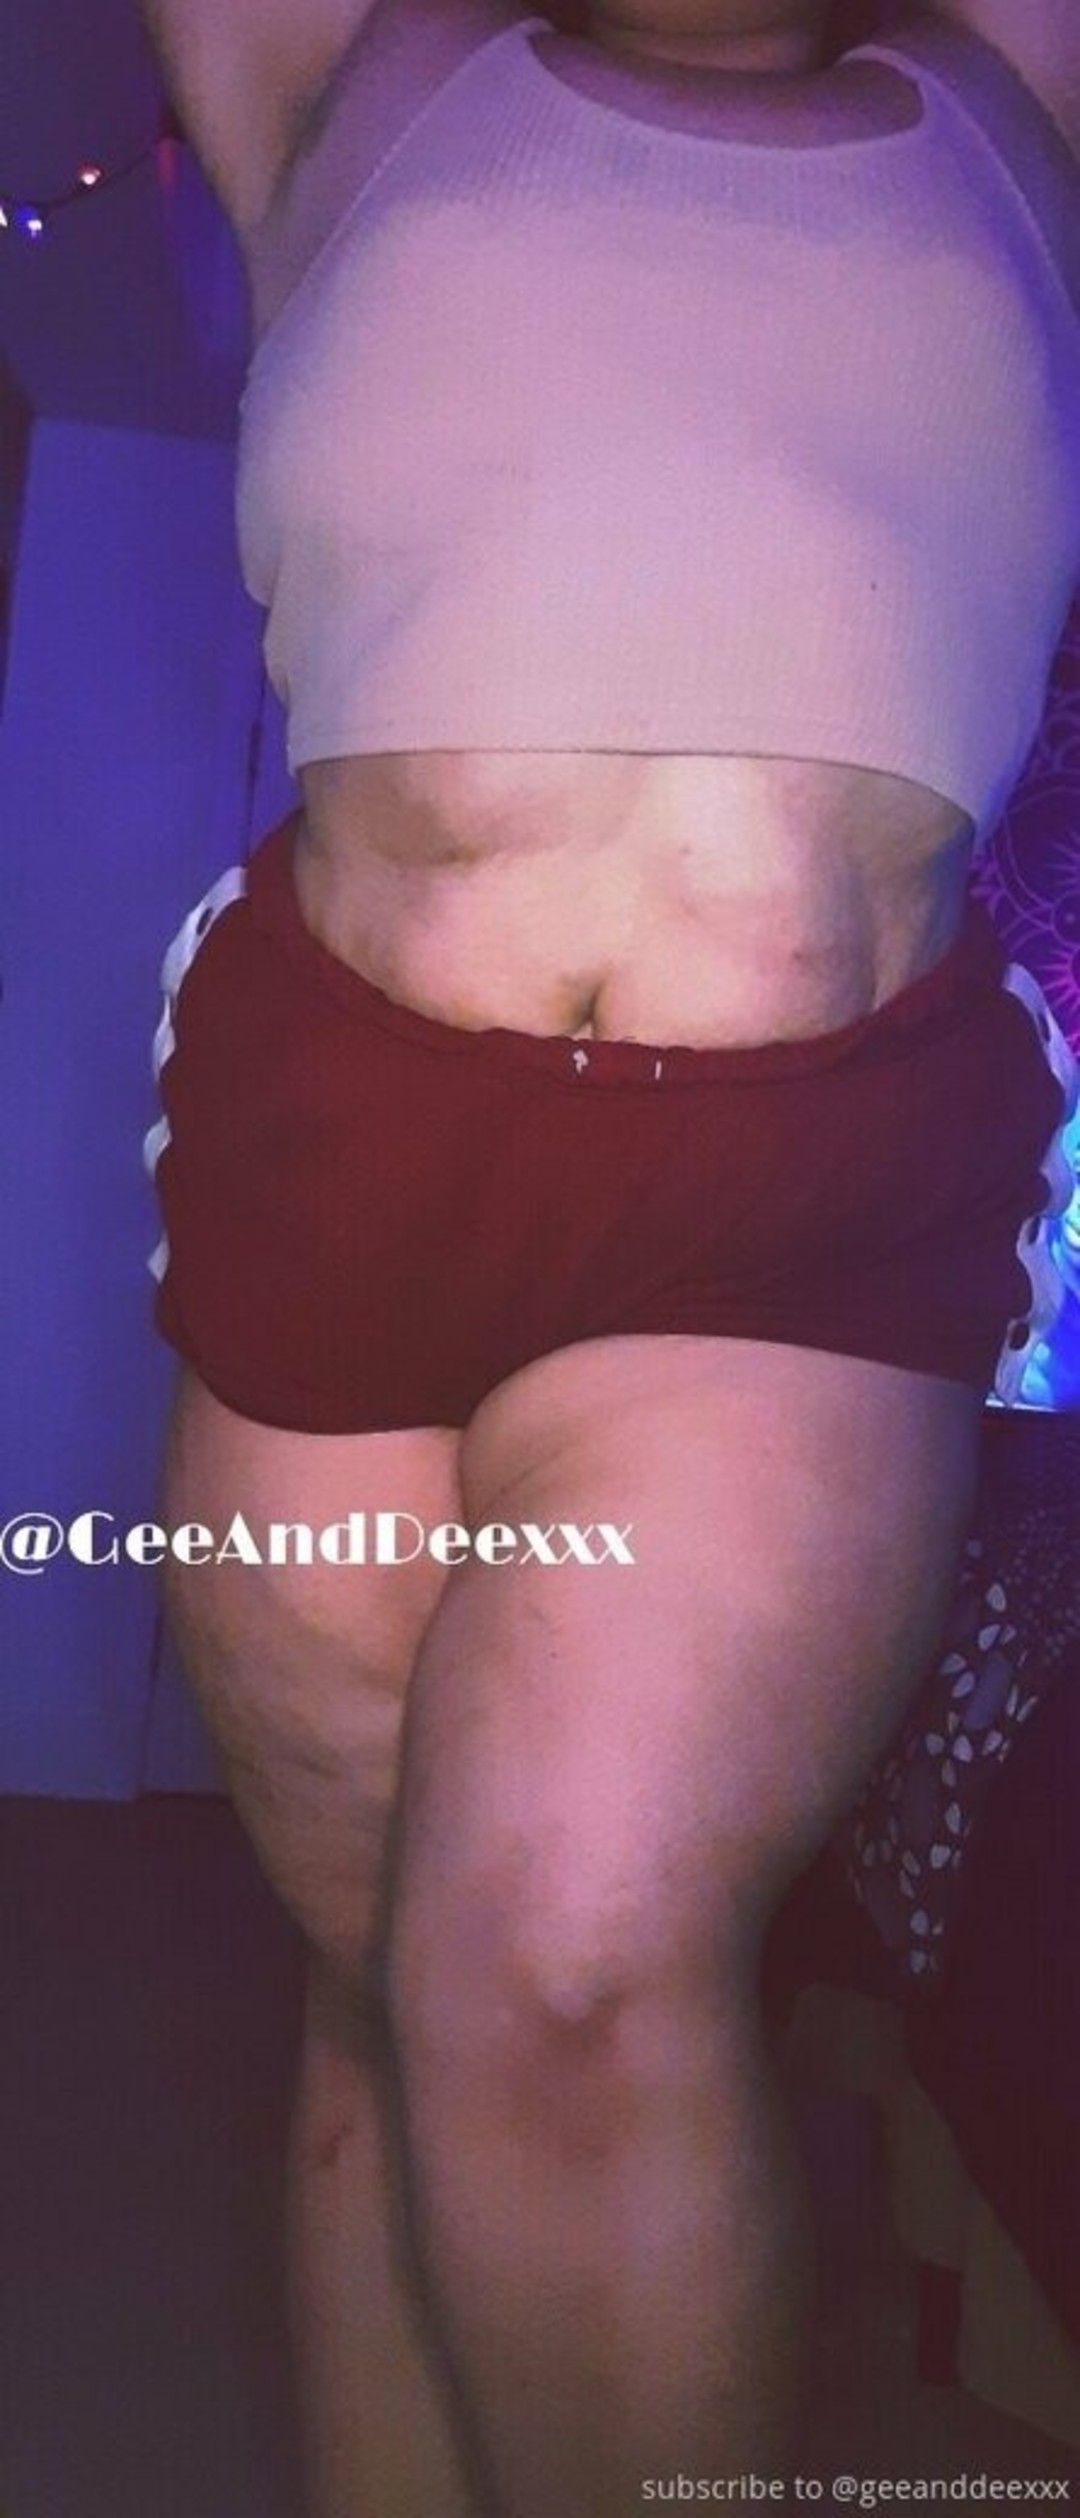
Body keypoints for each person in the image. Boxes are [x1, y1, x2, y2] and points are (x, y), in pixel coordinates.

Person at [137, 2, 1080, 2511]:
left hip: (802, 1177)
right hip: (337, 1139)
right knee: (385, 2009)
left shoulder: (1016, 82)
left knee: (549, 1965)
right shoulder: (339, 57)